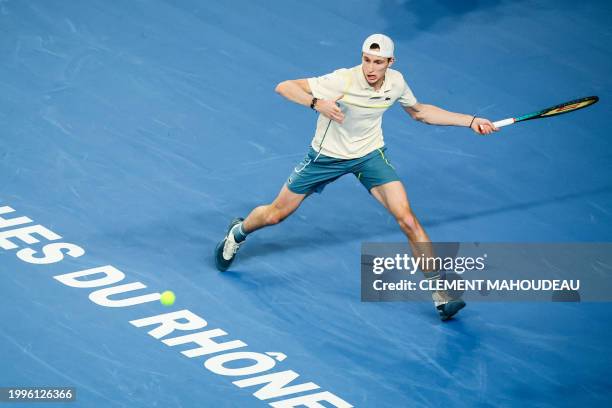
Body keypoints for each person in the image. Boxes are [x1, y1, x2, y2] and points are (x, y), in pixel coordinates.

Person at [214, 34, 498, 320]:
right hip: (325, 157)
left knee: (408, 220)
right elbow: (284, 87)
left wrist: (470, 121)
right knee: (276, 215)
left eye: (378, 62)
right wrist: (316, 103)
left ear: (390, 62)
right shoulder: (343, 80)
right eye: (366, 60)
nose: (371, 68)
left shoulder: (397, 82)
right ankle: (237, 232)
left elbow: (420, 112)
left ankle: (441, 293)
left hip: (369, 155)